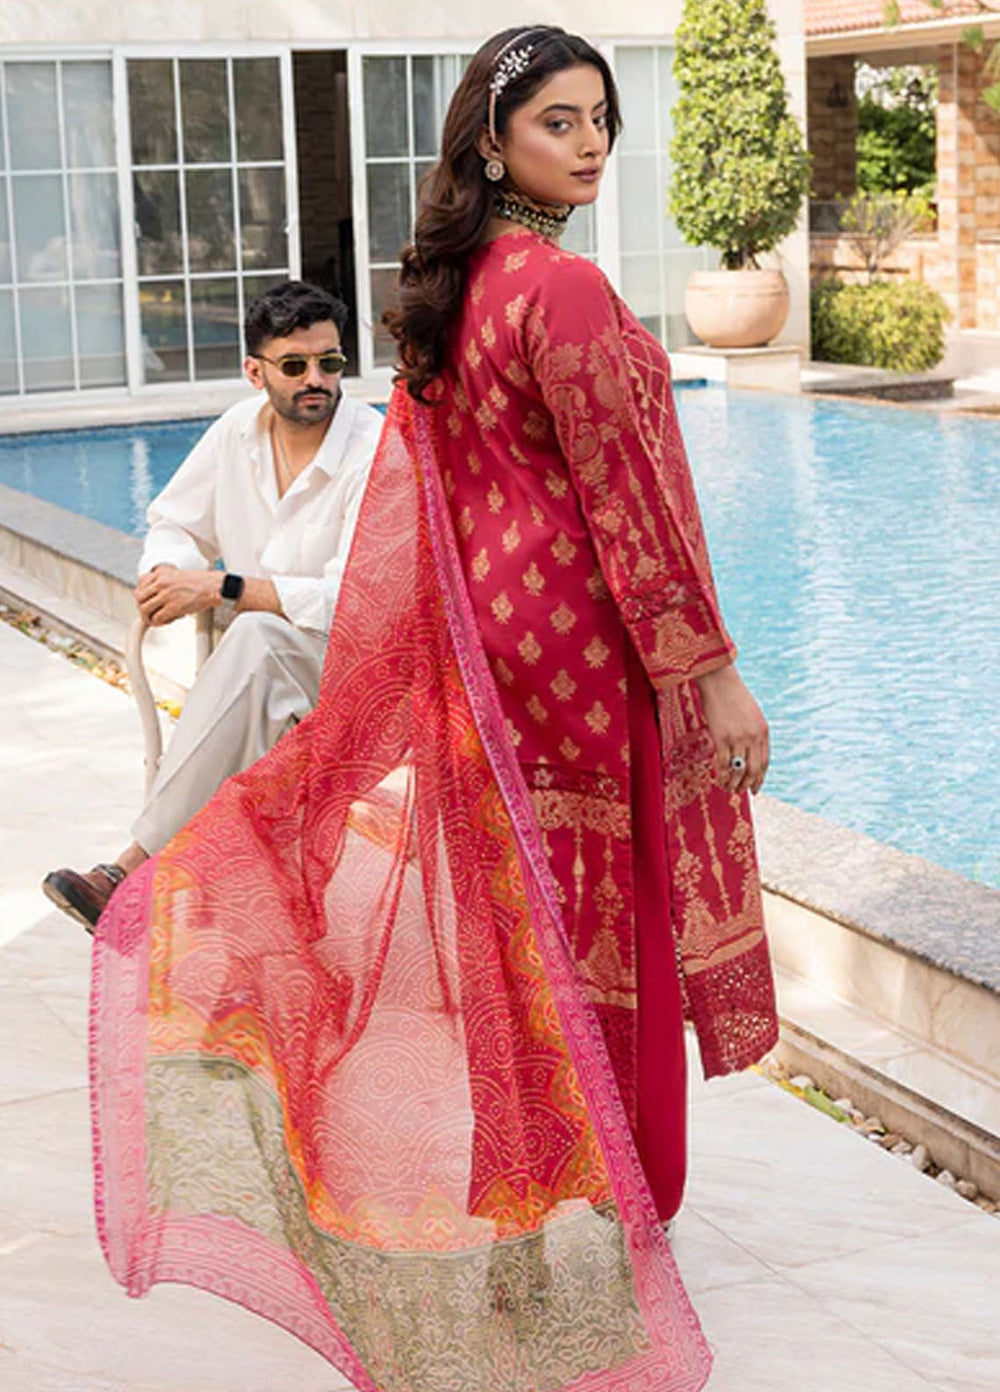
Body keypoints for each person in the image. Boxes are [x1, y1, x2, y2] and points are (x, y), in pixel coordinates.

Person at [89, 31, 778, 1392]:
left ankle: (526, 1229)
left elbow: (430, 512)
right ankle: (613, 1211)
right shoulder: (562, 289)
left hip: (494, 668)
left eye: (600, 118)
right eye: (558, 121)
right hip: (585, 663)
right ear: (492, 140)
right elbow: (628, 505)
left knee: (518, 946)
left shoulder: (448, 299)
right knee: (609, 935)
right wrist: (710, 674)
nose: (590, 142)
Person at [43, 280, 384, 929]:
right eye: (295, 365)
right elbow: (174, 521)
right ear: (256, 372)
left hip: (359, 675)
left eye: (330, 361)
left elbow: (358, 598)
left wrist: (224, 588)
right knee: (251, 659)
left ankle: (133, 868)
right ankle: (210, 896)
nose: (316, 379)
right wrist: (166, 573)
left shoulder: (372, 449)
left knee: (253, 639)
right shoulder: (237, 431)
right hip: (267, 675)